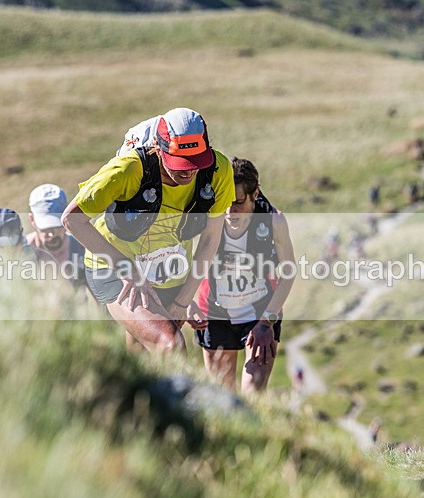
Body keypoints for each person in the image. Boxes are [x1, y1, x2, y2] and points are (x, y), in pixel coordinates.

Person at [62, 107, 235, 355]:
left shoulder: (218, 170)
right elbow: (72, 220)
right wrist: (127, 269)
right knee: (170, 344)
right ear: (158, 147)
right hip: (115, 268)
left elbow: (210, 239)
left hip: (169, 271)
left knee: (143, 351)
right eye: (179, 164)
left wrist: (182, 301)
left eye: (196, 162)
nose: (188, 171)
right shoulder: (128, 170)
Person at [194, 158, 295, 393]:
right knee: (222, 397)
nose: (230, 211)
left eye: (239, 202)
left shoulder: (274, 220)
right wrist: (188, 302)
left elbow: (288, 272)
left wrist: (266, 321)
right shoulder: (209, 215)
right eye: (226, 201)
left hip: (259, 313)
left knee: (253, 395)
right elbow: (190, 261)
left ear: (255, 194)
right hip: (215, 312)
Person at [27, 183, 85, 286]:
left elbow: (102, 299)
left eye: (57, 225)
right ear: (32, 220)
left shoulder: (82, 249)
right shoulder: (21, 253)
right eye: (45, 227)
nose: (51, 234)